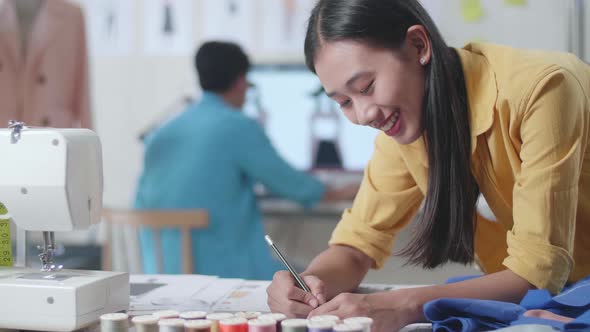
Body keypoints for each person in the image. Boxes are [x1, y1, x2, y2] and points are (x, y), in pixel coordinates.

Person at [266, 0, 590, 330]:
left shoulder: (543, 89)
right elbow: (355, 247)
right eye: (344, 102)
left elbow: (537, 273)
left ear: (418, 45)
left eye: (367, 87)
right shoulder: (405, 127)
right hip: (546, 299)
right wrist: (309, 284)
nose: (363, 115)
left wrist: (401, 305)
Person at [134, 41, 357, 280]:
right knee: (318, 279)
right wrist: (347, 190)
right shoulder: (237, 126)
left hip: (162, 276)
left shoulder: (164, 130)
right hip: (223, 276)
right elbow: (292, 185)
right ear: (241, 81)